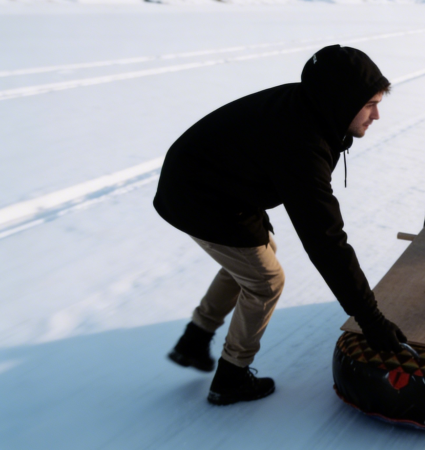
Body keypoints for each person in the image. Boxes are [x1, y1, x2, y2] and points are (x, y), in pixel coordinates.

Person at [154, 45, 407, 406]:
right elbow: (325, 239)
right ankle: (231, 377)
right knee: (265, 281)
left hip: (215, 185)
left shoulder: (311, 106)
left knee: (255, 256)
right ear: (342, 101)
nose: (377, 115)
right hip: (196, 196)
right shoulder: (302, 143)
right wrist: (370, 318)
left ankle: (194, 341)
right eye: (369, 105)